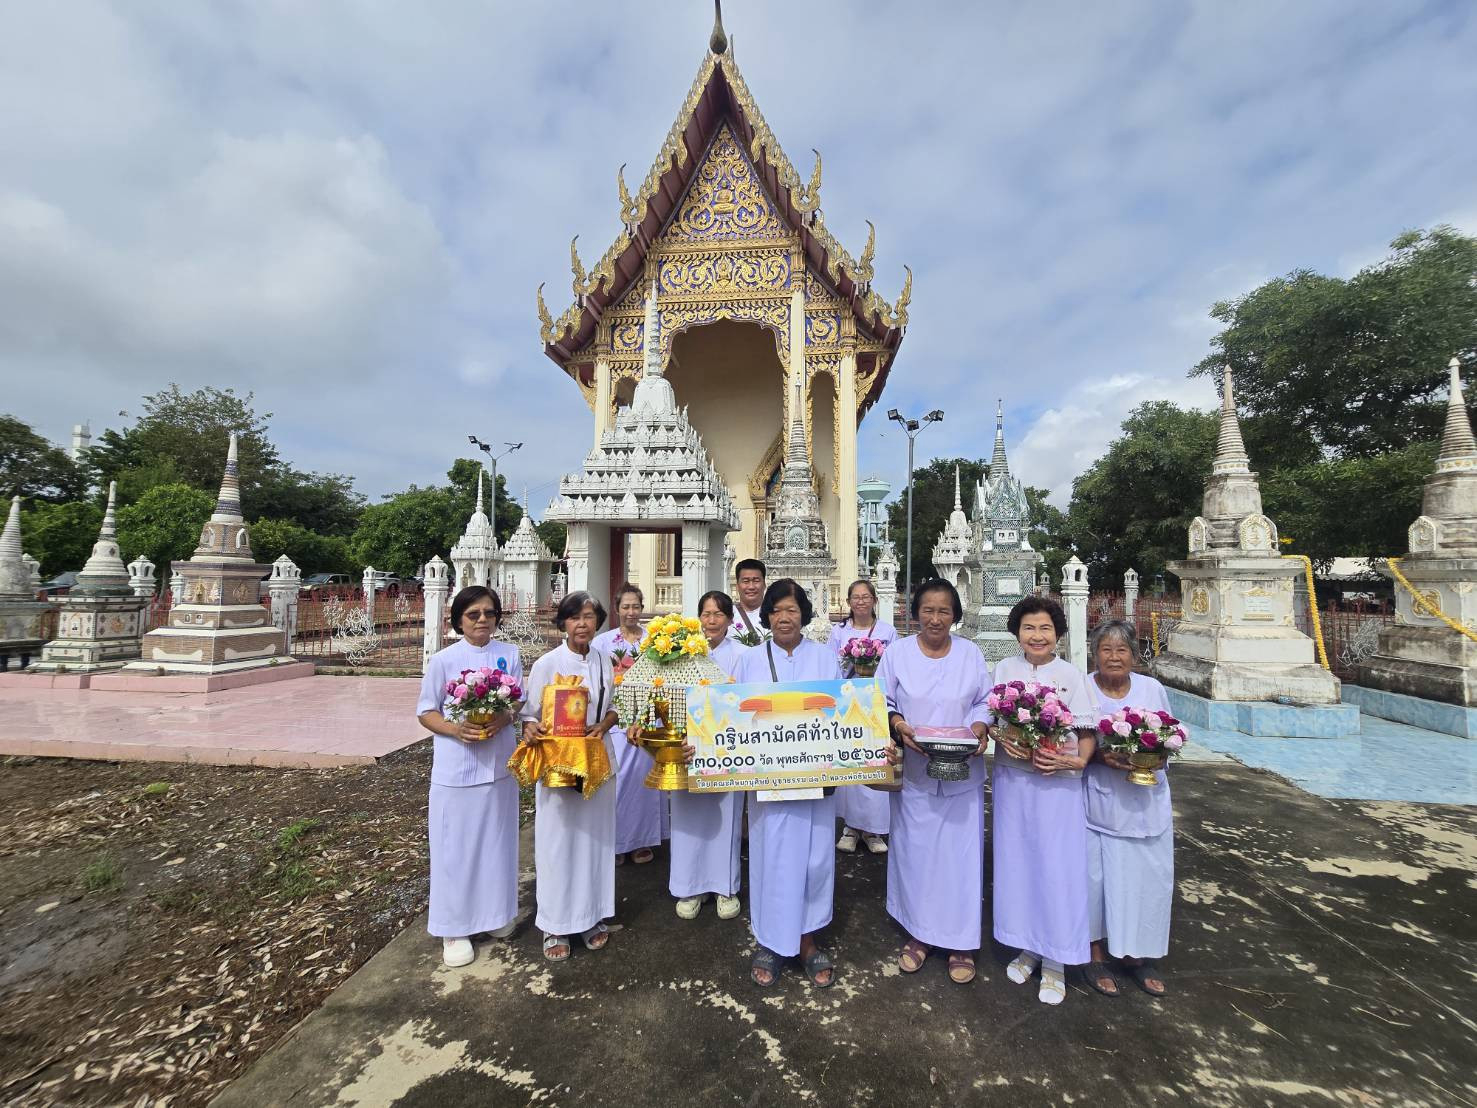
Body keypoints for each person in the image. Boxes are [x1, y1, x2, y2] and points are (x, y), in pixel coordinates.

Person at [732, 579, 843, 988]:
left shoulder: (824, 658)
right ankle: (771, 943)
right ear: (767, 615)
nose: (784, 617)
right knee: (771, 858)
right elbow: (733, 717)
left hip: (815, 780)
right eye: (777, 610)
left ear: (804, 615)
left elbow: (843, 715)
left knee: (815, 860)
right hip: (770, 784)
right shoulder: (750, 660)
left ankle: (808, 940)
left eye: (792, 610)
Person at [880, 579, 992, 984]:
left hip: (963, 773)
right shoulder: (897, 654)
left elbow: (985, 700)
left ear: (955, 615)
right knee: (917, 854)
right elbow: (883, 700)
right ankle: (918, 934)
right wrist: (897, 725)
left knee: (961, 859)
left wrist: (980, 725)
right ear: (916, 613)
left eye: (944, 611)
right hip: (916, 771)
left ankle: (961, 942)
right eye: (928, 610)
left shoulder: (971, 653)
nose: (935, 618)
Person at [989, 595, 1098, 1005]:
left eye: (1045, 629)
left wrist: (1074, 763)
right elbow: (993, 722)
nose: (1037, 636)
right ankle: (1029, 946)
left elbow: (1087, 734)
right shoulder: (1004, 669)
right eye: (1029, 628)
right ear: (1017, 633)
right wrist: (1004, 738)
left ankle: (1057, 961)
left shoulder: (1071, 675)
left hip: (1056, 786)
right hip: (1014, 783)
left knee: (1056, 867)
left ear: (1057, 635)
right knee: (1019, 864)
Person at [415, 586, 524, 968]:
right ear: (458, 619)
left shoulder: (509, 654)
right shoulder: (443, 660)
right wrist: (454, 729)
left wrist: (503, 716)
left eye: (489, 613)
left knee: (497, 843)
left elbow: (517, 702)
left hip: (497, 764)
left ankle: (495, 914)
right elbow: (426, 710)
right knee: (455, 848)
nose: (482, 620)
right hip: (457, 766)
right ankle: (454, 927)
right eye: (473, 614)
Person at [519, 591, 621, 962]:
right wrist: (530, 728)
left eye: (590, 616)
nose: (583, 624)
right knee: (558, 843)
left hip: (596, 764)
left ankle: (591, 916)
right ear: (563, 622)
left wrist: (603, 724)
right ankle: (556, 923)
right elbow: (529, 714)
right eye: (575, 617)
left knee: (595, 840)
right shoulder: (547, 664)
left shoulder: (605, 660)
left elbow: (614, 710)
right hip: (560, 768)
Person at [1083, 619, 1175, 998]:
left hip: (1145, 802)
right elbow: (1072, 744)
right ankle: (1095, 952)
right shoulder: (1084, 689)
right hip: (1101, 805)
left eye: (1122, 650)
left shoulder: (1152, 690)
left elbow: (1170, 738)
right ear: (1094, 654)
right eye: (1106, 650)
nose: (1114, 657)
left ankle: (1137, 953)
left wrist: (1149, 757)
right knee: (1096, 883)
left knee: (1144, 881)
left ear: (1135, 656)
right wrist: (1101, 758)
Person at [667, 590, 749, 921]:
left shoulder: (743, 655)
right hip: (688, 748)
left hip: (726, 750)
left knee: (725, 817)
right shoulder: (681, 653)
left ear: (730, 620)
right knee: (688, 817)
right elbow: (669, 696)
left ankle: (723, 886)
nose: (712, 620)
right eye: (706, 614)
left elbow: (746, 702)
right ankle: (689, 886)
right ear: (698, 618)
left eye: (719, 614)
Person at [592, 584, 662, 866]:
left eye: (636, 607)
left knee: (643, 784)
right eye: (626, 607)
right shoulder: (603, 643)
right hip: (615, 719)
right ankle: (616, 842)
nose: (631, 612)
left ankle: (641, 840)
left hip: (646, 718)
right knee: (617, 782)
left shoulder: (655, 641)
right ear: (617, 608)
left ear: (641, 609)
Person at [829, 578, 898, 855]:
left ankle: (874, 829)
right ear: (848, 602)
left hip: (876, 703)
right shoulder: (839, 631)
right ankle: (850, 827)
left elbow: (894, 666)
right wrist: (851, 664)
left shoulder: (887, 631)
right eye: (855, 597)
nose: (860, 601)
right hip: (848, 702)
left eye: (865, 596)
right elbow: (831, 665)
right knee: (851, 765)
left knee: (875, 761)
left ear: (874, 600)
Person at [727, 558, 767, 643]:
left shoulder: (774, 614)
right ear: (737, 585)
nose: (751, 587)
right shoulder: (727, 615)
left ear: (764, 584)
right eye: (746, 581)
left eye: (756, 581)